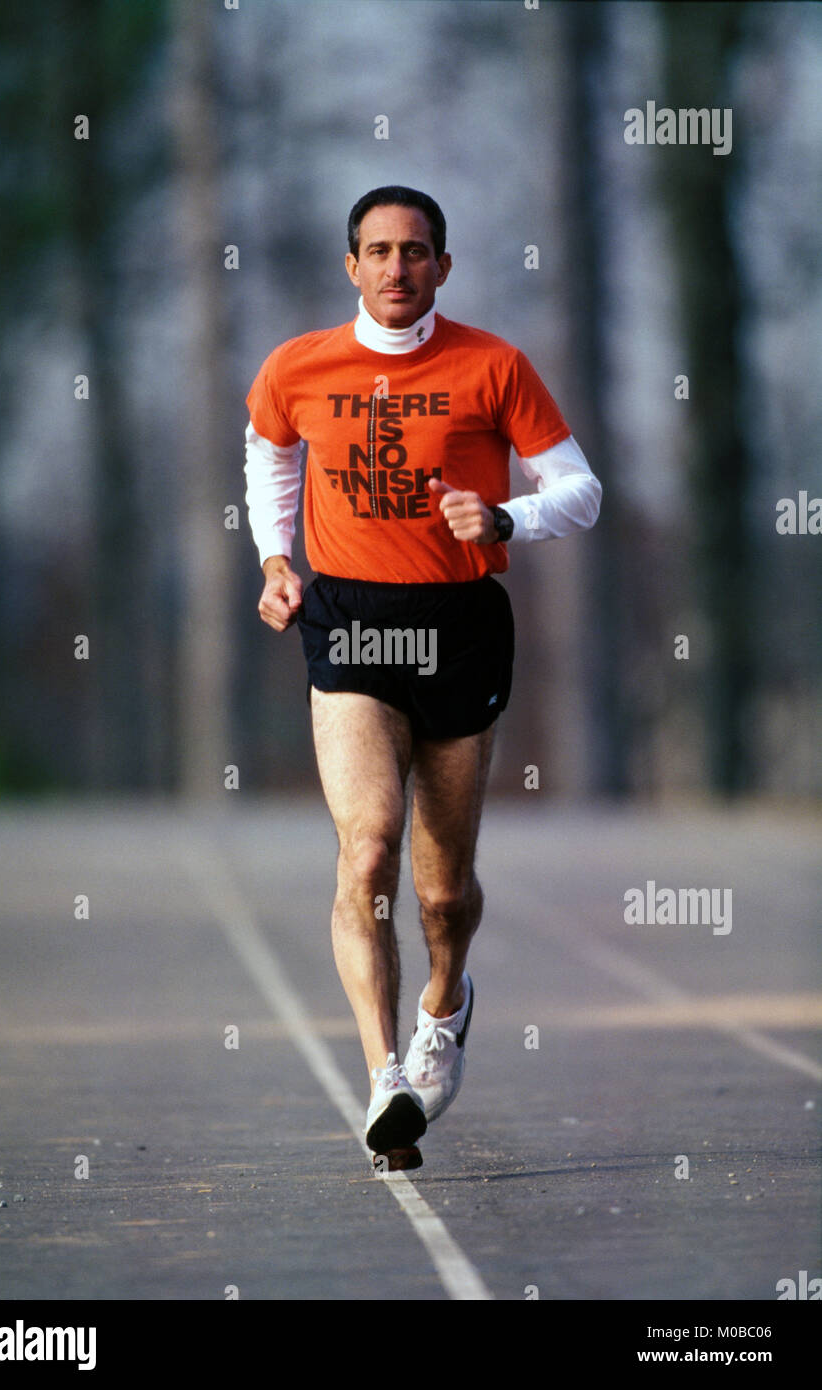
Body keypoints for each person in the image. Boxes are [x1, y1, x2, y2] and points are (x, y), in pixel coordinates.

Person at [245, 185, 601, 1166]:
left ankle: (444, 1004)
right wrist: (277, 561)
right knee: (368, 851)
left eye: (415, 251)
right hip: (350, 621)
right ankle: (384, 1077)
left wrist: (508, 519)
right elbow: (270, 459)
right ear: (349, 265)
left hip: (459, 626)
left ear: (442, 265)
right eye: (377, 250)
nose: (396, 267)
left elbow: (580, 489)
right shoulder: (298, 368)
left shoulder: (494, 366)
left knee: (442, 890)